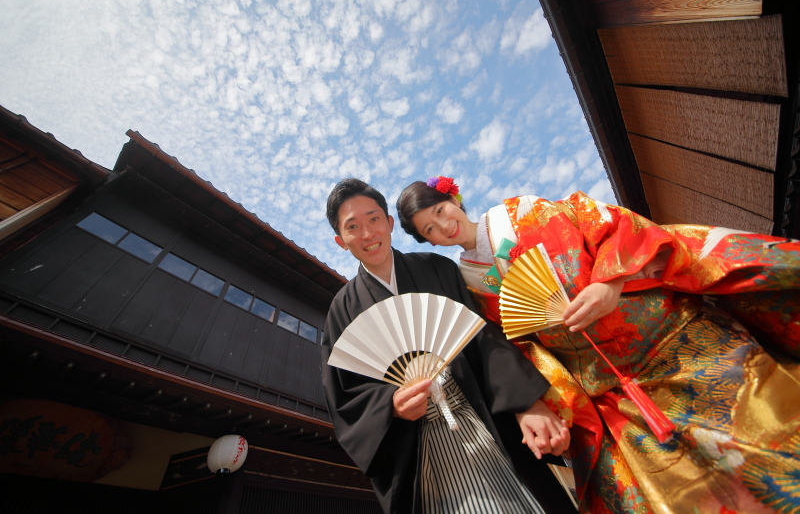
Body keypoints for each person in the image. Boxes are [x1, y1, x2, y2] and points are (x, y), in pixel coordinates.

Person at [396, 176, 800, 514]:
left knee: (767, 423)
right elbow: (524, 350)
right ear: (429, 243)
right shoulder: (472, 285)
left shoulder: (527, 213)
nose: (443, 226)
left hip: (672, 337)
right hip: (610, 386)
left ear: (454, 199)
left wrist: (610, 282)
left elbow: (611, 225)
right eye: (430, 229)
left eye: (440, 211)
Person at [320, 178, 579, 514]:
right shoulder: (341, 312)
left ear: (389, 223)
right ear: (341, 241)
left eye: (373, 219)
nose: (368, 234)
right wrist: (390, 405)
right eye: (353, 227)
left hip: (480, 413)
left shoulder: (437, 269)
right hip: (418, 442)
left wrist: (525, 404)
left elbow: (482, 337)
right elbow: (344, 397)